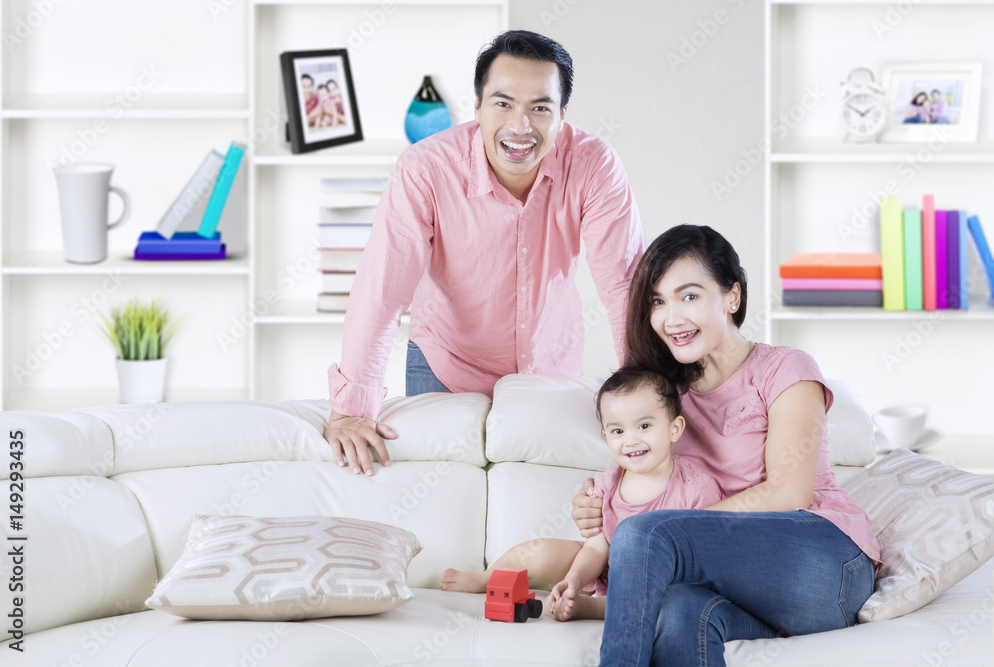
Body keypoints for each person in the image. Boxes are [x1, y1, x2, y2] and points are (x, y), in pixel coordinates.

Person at [324, 30, 644, 476]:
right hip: (446, 363)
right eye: (503, 103)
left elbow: (624, 285)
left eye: (540, 108)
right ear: (476, 106)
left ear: (562, 114)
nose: (520, 126)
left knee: (536, 493)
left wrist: (649, 397)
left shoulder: (593, 165)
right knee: (439, 493)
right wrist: (353, 407)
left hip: (549, 365)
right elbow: (383, 289)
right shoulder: (425, 170)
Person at [570, 225, 881, 666]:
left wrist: (668, 534)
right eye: (658, 301)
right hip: (740, 587)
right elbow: (637, 475)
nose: (670, 318)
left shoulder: (785, 368)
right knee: (679, 611)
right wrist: (595, 506)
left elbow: (788, 493)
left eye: (689, 296)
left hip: (826, 564)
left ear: (732, 297)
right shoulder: (664, 397)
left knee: (648, 532)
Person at [439, 366, 721, 622]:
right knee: (534, 551)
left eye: (645, 426)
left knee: (666, 599)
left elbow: (700, 564)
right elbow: (597, 548)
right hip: (601, 568)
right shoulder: (607, 483)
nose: (631, 440)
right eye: (618, 430)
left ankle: (592, 608)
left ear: (675, 429)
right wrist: (573, 580)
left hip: (655, 580)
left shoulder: (695, 487)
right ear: (605, 437)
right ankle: (487, 578)